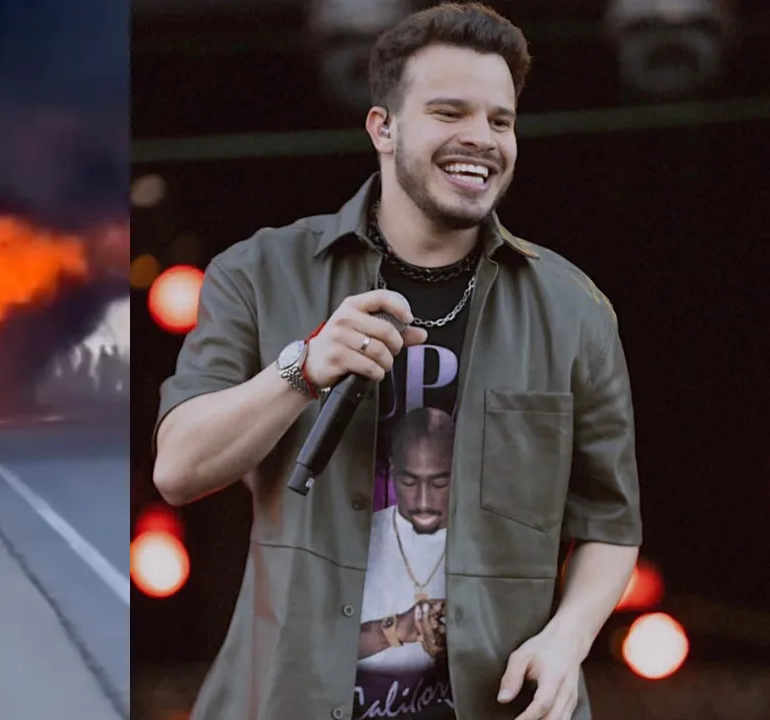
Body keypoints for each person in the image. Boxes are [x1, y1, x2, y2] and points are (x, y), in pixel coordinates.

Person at [151, 4, 642, 720]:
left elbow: (611, 523)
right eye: (450, 112)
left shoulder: (573, 310)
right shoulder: (259, 272)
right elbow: (178, 469)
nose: (480, 138)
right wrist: (302, 369)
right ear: (384, 128)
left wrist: (567, 640)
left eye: (500, 120)